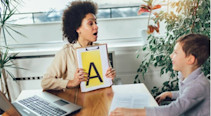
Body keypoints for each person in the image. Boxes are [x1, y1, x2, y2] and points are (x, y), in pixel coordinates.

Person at [109, 33, 210, 116]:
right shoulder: (190, 78)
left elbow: (173, 110)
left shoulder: (199, 85)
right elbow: (187, 96)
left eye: (175, 53)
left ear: (190, 59)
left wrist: (132, 112)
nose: (171, 56)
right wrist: (171, 94)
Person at [41, 1, 116, 90]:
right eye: (90, 23)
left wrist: (110, 76)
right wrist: (71, 82)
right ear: (77, 28)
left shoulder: (101, 50)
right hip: (75, 101)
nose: (96, 27)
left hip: (99, 99)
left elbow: (106, 83)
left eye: (96, 23)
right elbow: (45, 82)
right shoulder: (66, 53)